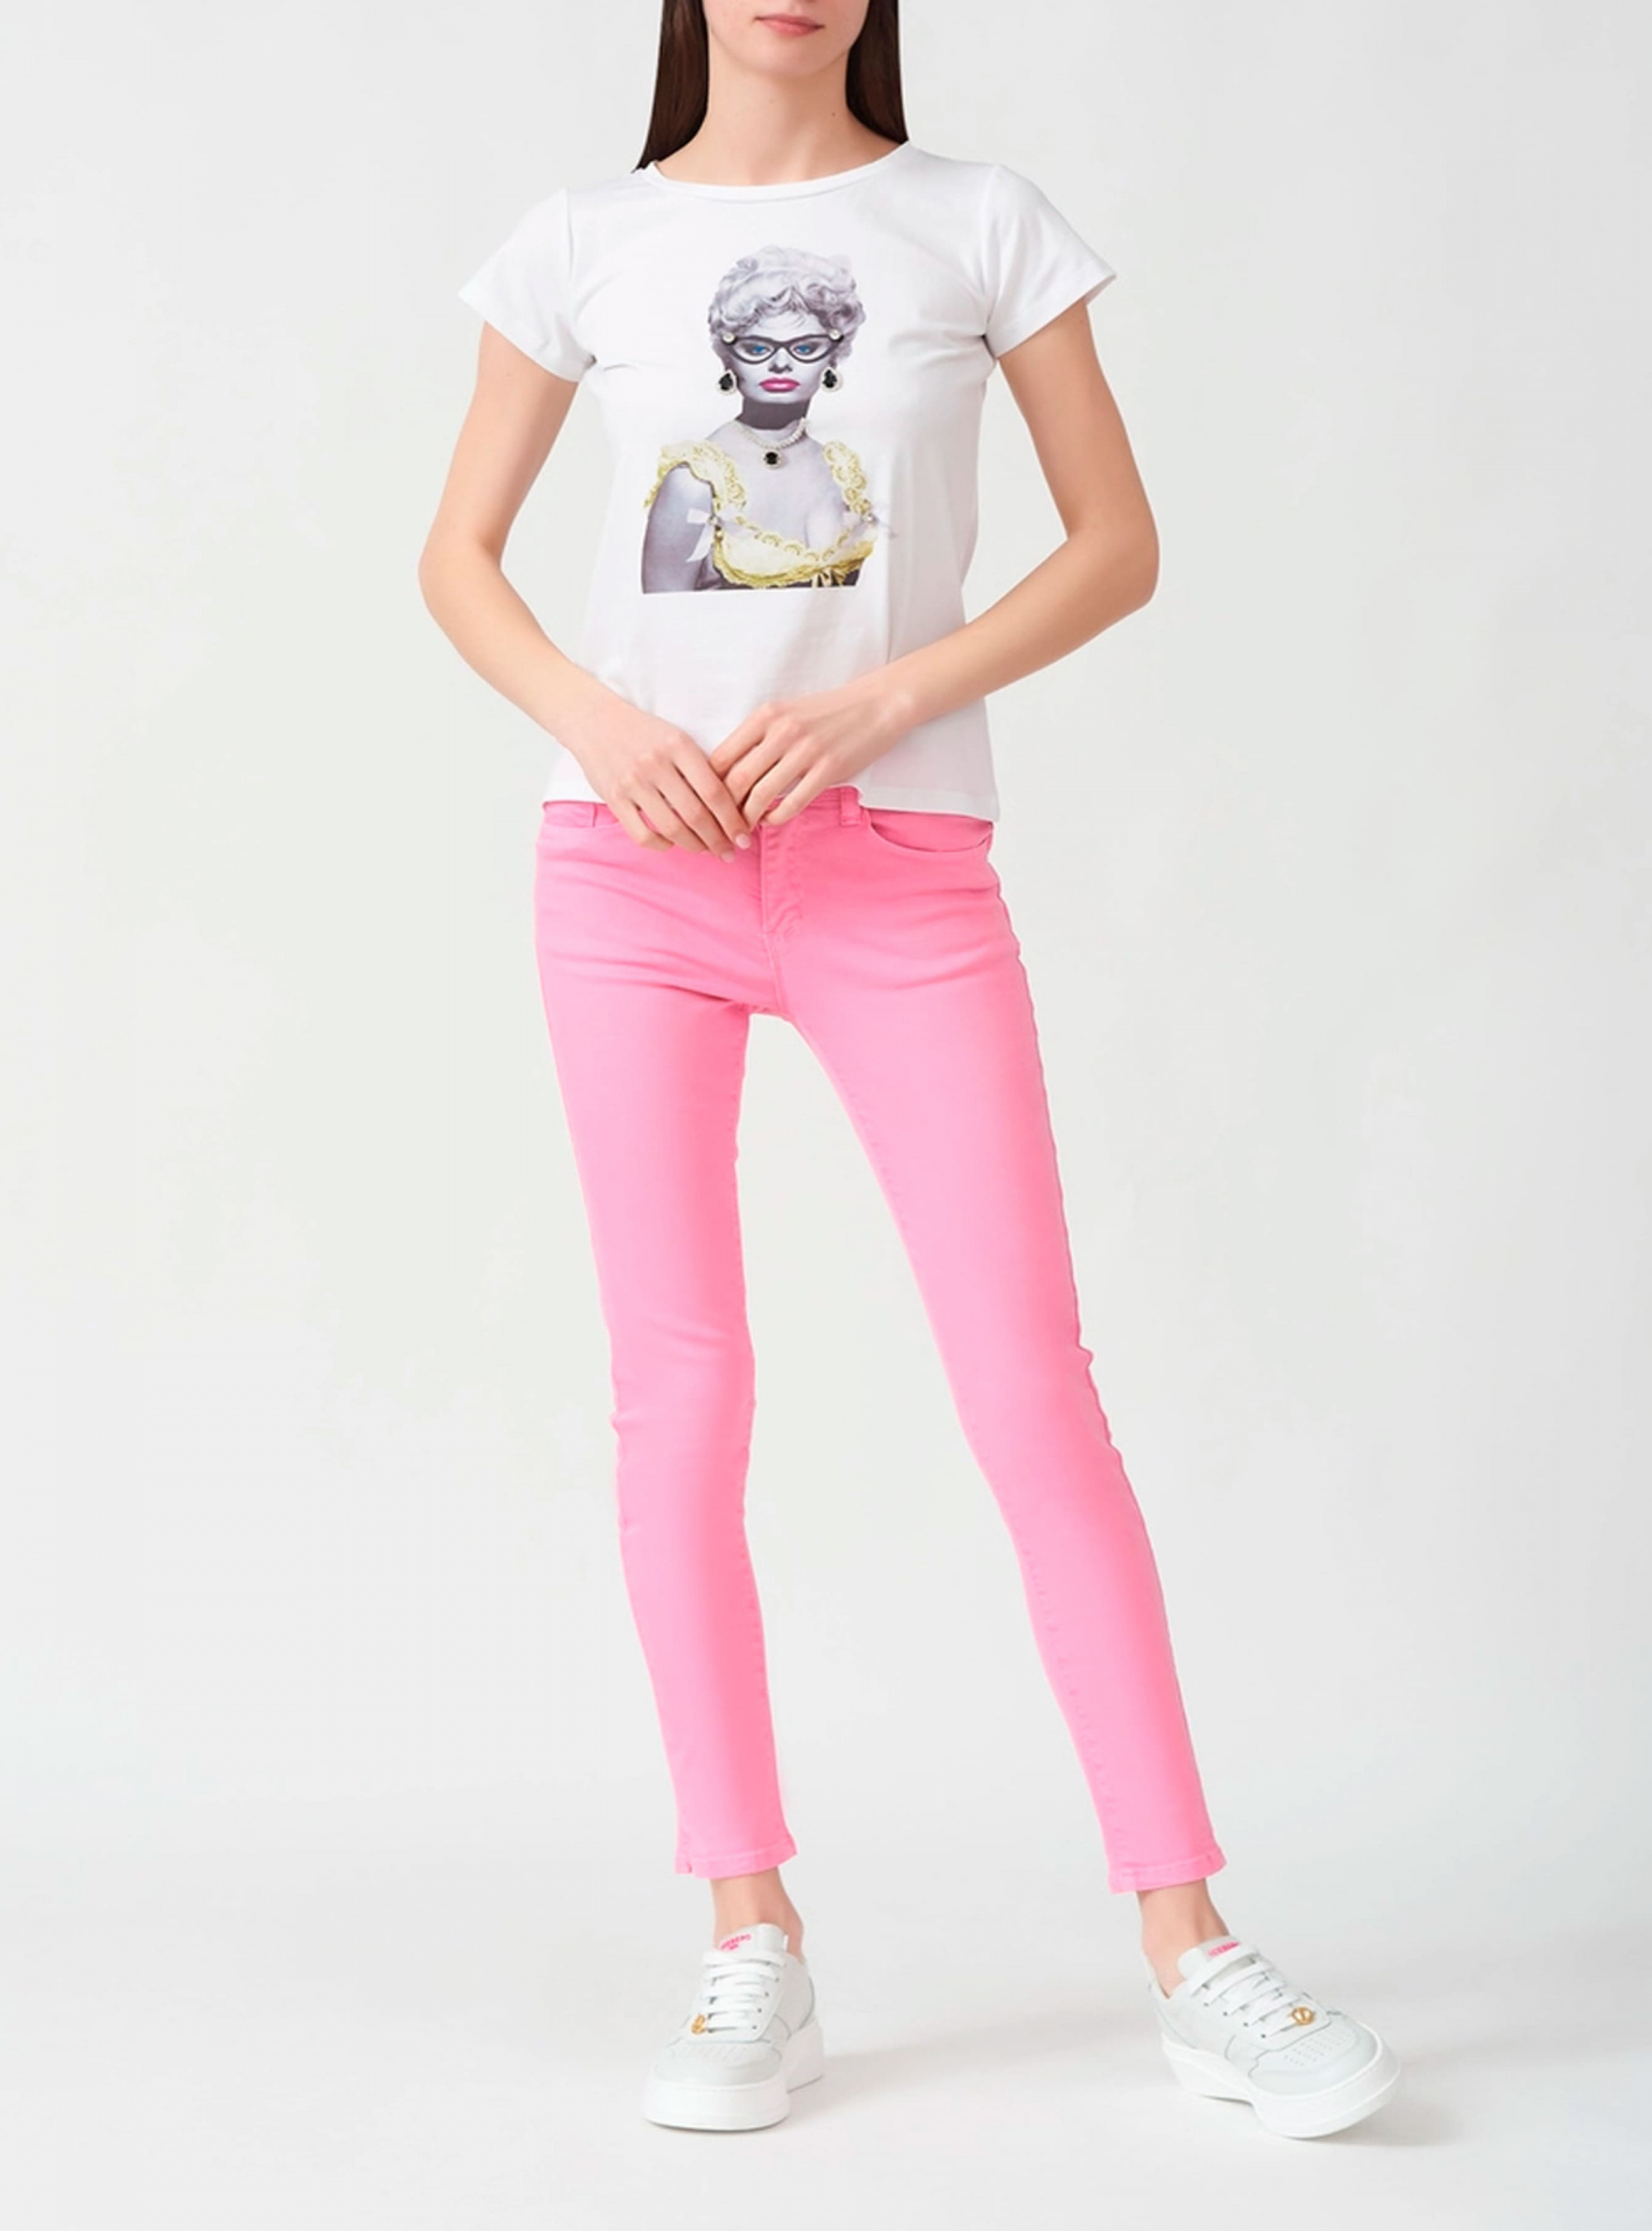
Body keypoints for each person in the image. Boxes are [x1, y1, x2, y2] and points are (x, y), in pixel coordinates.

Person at [419, 0, 1400, 2143]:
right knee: (680, 1391)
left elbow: (1116, 540)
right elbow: (454, 562)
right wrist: (599, 725)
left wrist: (888, 702)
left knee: (1029, 1383)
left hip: (897, 871)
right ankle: (746, 1929)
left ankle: (1192, 1946)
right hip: (632, 874)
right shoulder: (578, 242)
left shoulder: (979, 223)